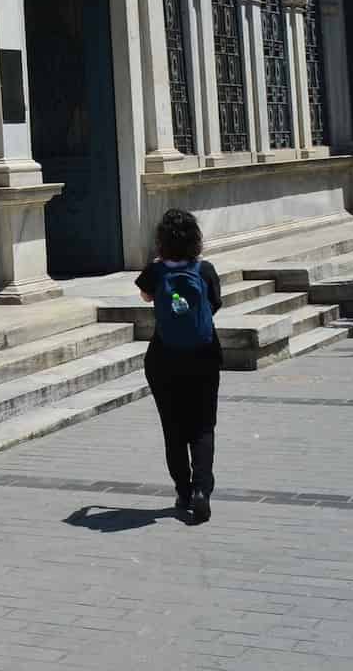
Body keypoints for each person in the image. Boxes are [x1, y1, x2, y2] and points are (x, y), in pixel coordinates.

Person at [136, 209, 222, 524]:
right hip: (203, 355)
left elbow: (146, 297)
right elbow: (214, 305)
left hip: (163, 357)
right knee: (202, 425)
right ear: (195, 239)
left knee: (173, 429)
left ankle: (183, 492)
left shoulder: (154, 272)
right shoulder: (206, 270)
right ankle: (202, 491)